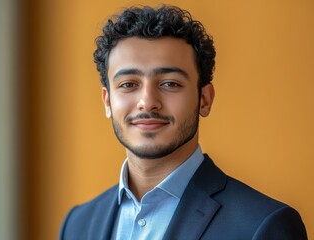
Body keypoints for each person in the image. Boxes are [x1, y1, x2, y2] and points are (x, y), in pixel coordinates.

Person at [59, 5, 307, 240]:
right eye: (128, 85)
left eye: (170, 84)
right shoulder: (77, 224)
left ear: (204, 100)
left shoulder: (262, 225)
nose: (147, 102)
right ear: (107, 101)